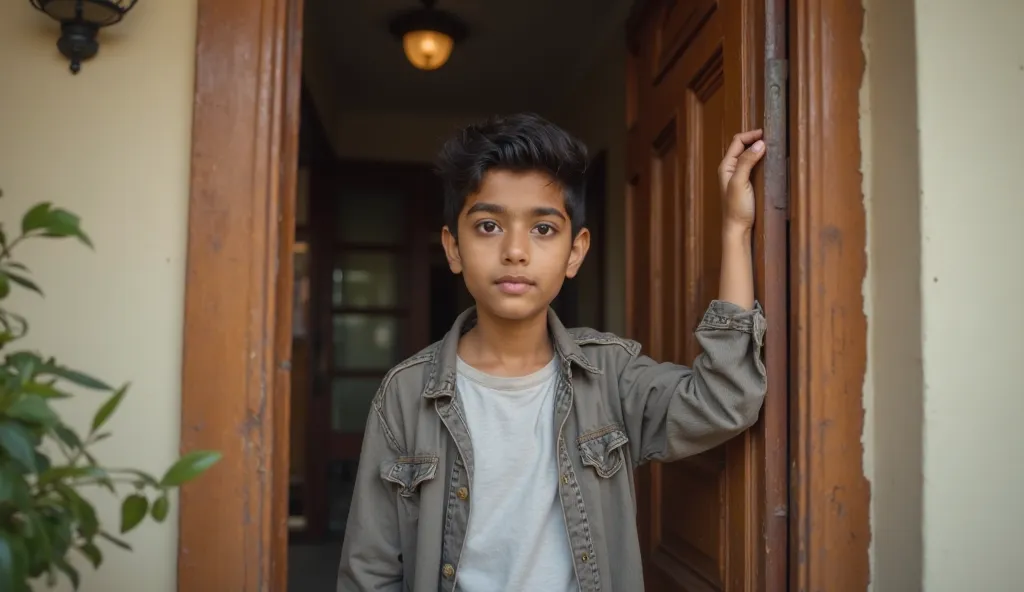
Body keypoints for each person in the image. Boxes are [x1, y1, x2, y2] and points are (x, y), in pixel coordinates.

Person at [337, 113, 768, 592]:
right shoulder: (404, 394)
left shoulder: (610, 375)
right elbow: (369, 572)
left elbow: (725, 400)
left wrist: (735, 230)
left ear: (575, 252)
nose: (516, 251)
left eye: (543, 229)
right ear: (453, 248)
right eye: (487, 226)